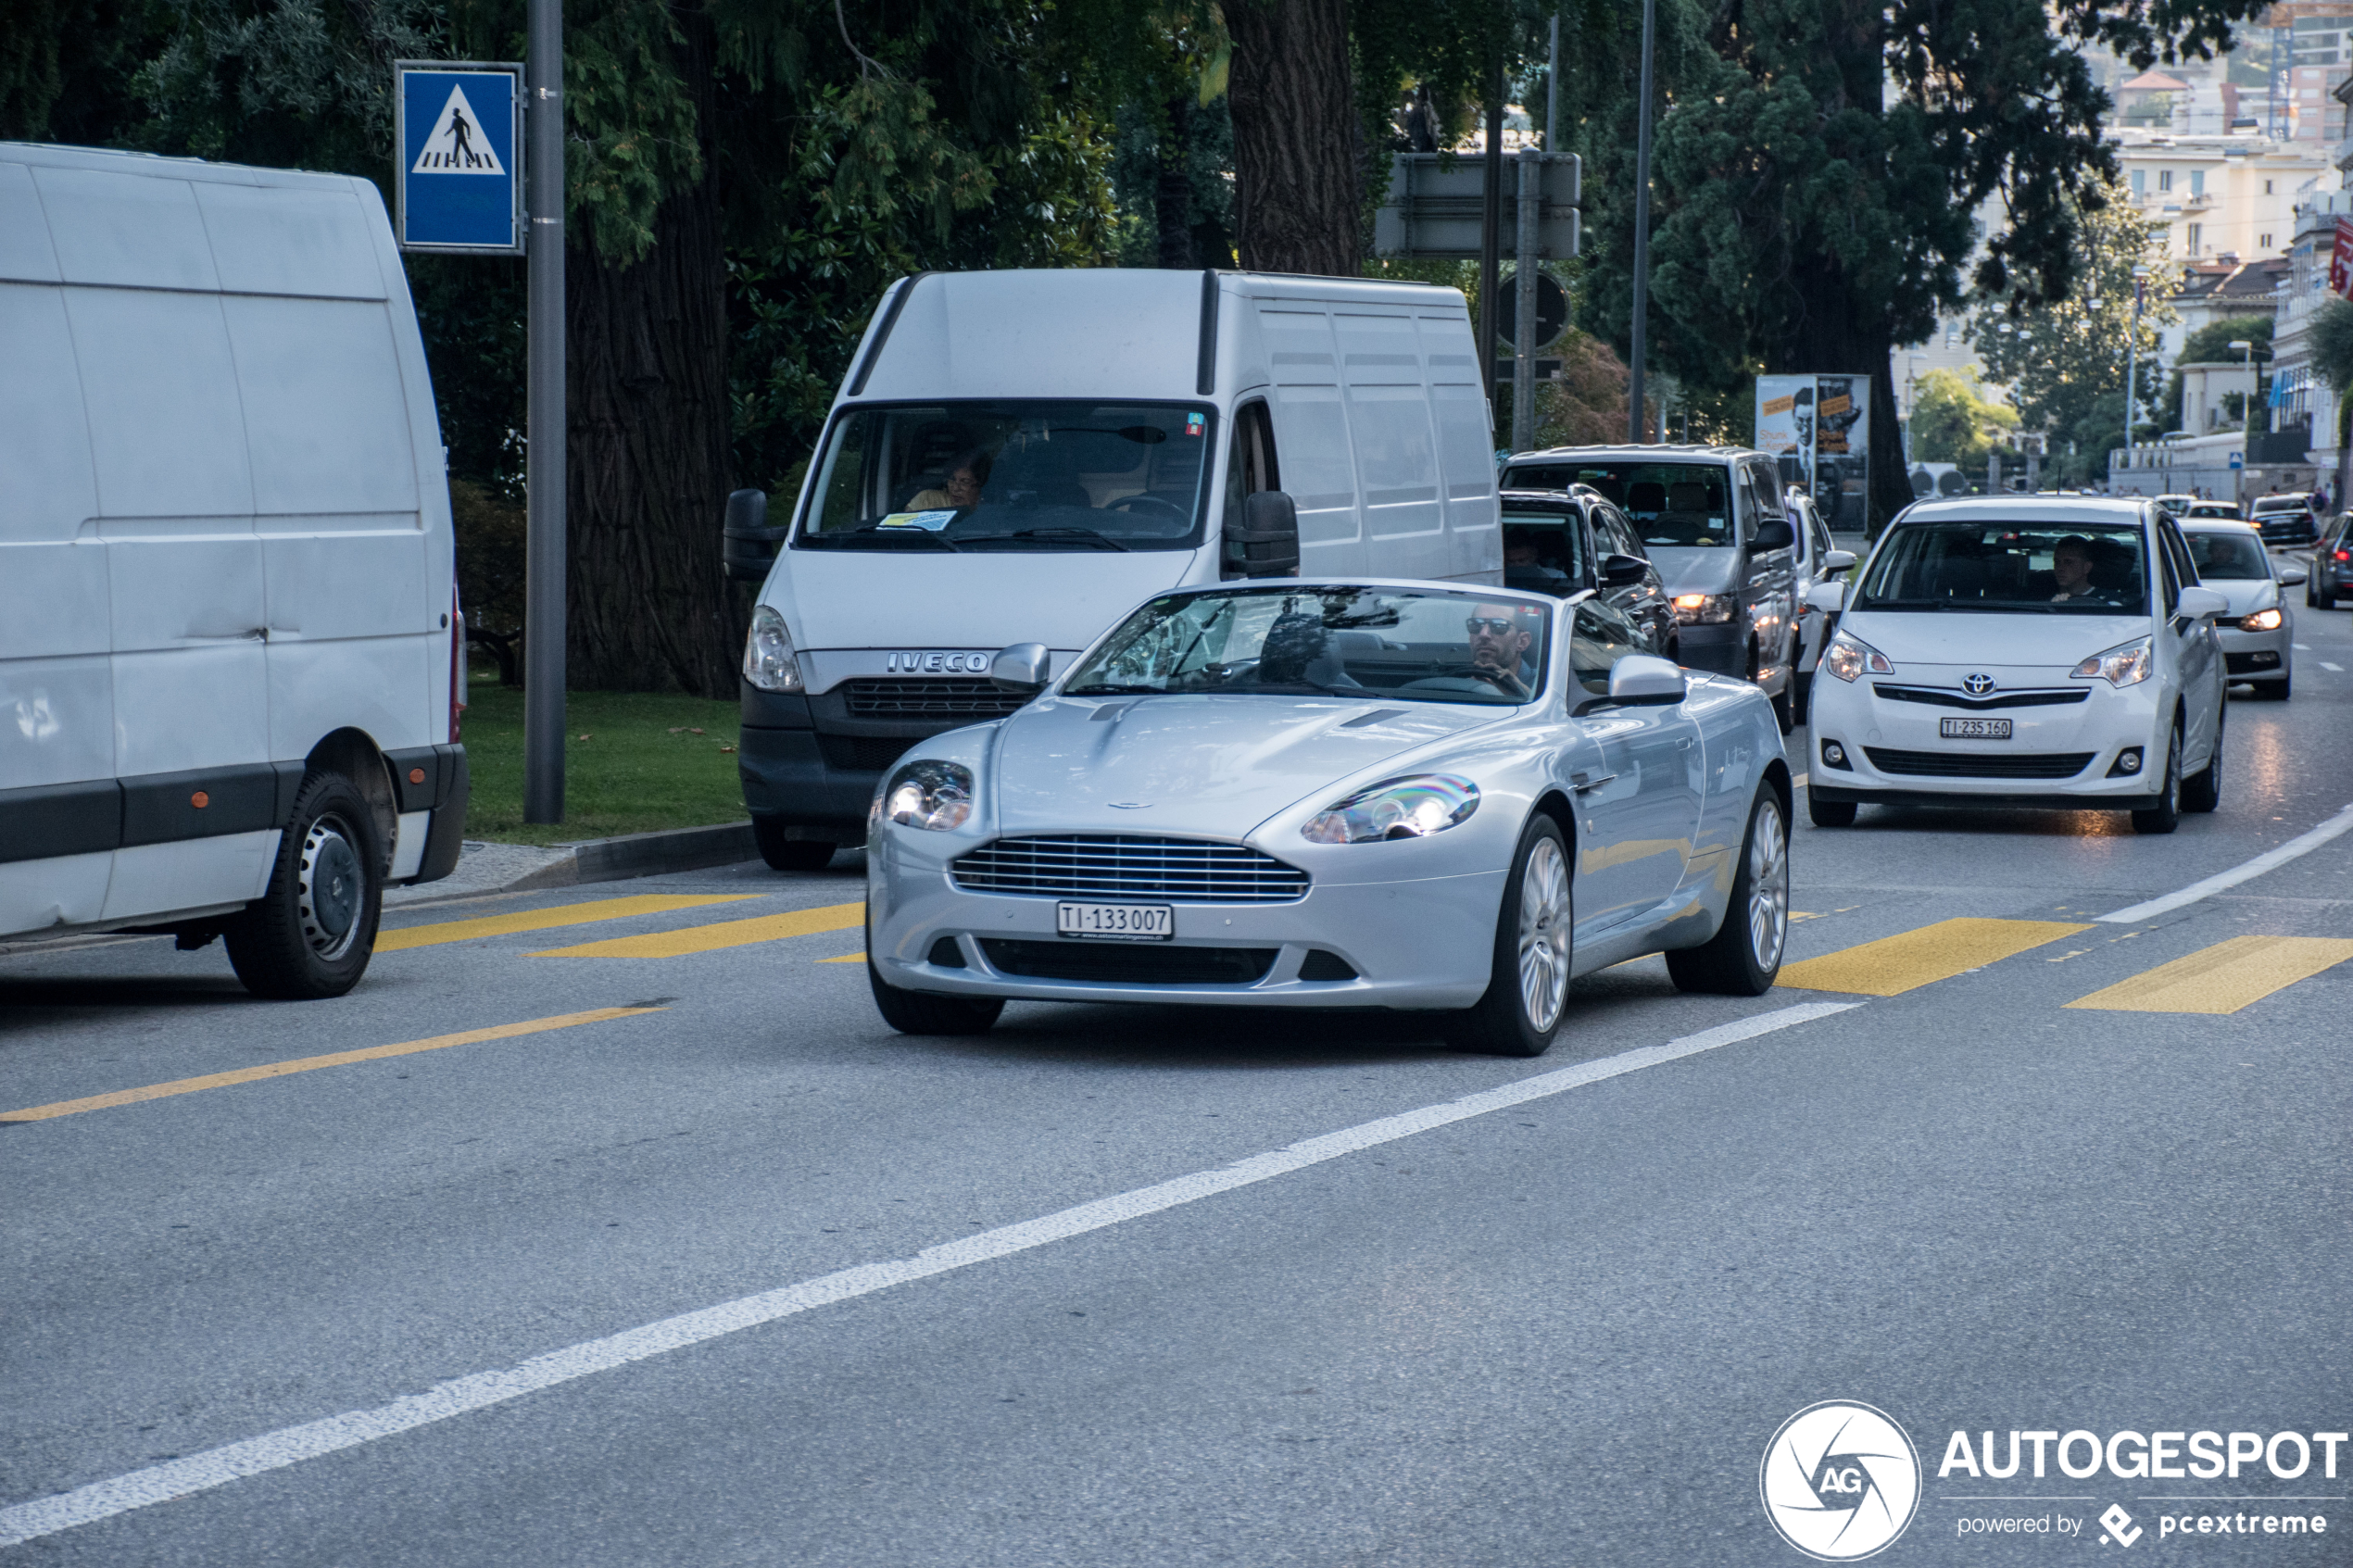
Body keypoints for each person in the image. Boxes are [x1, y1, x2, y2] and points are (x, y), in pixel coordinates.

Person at [1465, 604, 1538, 696]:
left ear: (1522, 642)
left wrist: (1520, 691)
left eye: (1499, 625)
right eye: (1476, 625)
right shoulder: (1457, 682)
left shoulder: (1545, 684)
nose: (1483, 634)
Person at [906, 448, 990, 511]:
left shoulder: (990, 512)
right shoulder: (927, 500)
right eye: (952, 480)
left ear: (981, 484)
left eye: (965, 482)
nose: (955, 488)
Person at [2047, 535, 2113, 604]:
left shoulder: (2109, 601)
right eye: (2057, 562)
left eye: (2068, 562)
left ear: (2087, 567)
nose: (2060, 568)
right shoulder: (2043, 595)